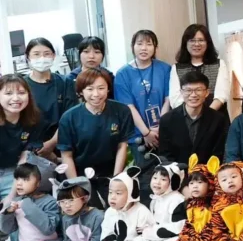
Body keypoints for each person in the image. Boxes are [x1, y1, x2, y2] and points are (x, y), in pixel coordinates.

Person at [57, 69, 133, 207]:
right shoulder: (69, 117)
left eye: (101, 88)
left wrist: (115, 179)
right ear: (81, 91)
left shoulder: (122, 111)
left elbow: (122, 146)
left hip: (110, 172)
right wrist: (77, 185)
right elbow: (66, 155)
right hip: (81, 174)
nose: (96, 94)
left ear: (108, 89)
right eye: (90, 89)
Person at [114, 31, 172, 181]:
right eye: (139, 44)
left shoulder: (165, 69)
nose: (144, 48)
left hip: (164, 132)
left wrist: (160, 127)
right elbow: (128, 107)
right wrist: (146, 133)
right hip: (139, 136)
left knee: (168, 175)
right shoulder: (122, 74)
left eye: (149, 44)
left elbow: (168, 99)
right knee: (147, 178)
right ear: (132, 47)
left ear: (155, 47)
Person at [157, 71, 227, 165]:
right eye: (188, 90)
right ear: (181, 92)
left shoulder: (218, 119)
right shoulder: (167, 120)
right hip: (177, 171)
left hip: (207, 172)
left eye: (198, 90)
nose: (193, 95)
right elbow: (165, 155)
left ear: (207, 92)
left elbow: (218, 153)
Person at [23, 39, 76, 154]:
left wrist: (52, 143)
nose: (42, 58)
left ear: (53, 55)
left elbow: (70, 117)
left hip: (62, 142)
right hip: (29, 146)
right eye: (36, 54)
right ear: (28, 57)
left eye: (46, 54)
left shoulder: (65, 82)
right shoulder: (22, 85)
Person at [0, 74, 48, 199]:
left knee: (15, 205)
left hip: (15, 171)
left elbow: (24, 158)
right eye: (8, 93)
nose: (16, 98)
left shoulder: (35, 119)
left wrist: (11, 196)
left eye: (21, 93)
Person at [167, 24, 230, 113]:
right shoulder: (177, 68)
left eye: (201, 40)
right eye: (192, 40)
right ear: (185, 43)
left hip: (215, 115)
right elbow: (175, 99)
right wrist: (191, 115)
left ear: (207, 43)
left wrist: (204, 116)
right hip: (185, 117)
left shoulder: (219, 64)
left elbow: (221, 96)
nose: (196, 44)